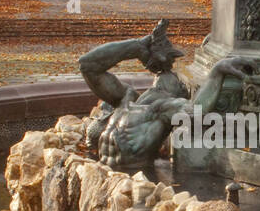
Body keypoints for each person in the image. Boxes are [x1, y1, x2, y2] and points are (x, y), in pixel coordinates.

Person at [79, 20, 250, 168]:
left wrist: (217, 72)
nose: (161, 78)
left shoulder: (162, 110)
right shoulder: (127, 98)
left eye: (175, 81)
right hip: (108, 179)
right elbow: (88, 65)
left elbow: (195, 111)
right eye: (159, 80)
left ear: (176, 94)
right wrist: (136, 47)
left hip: (135, 187)